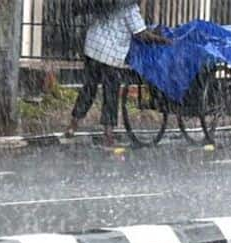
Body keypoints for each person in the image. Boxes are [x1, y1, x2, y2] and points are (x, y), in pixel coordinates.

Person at [65, 2, 171, 147]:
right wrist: (162, 40)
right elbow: (140, 34)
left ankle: (72, 126)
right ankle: (108, 135)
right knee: (111, 93)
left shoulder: (108, 3)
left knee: (88, 88)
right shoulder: (129, 7)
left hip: (92, 47)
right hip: (111, 55)